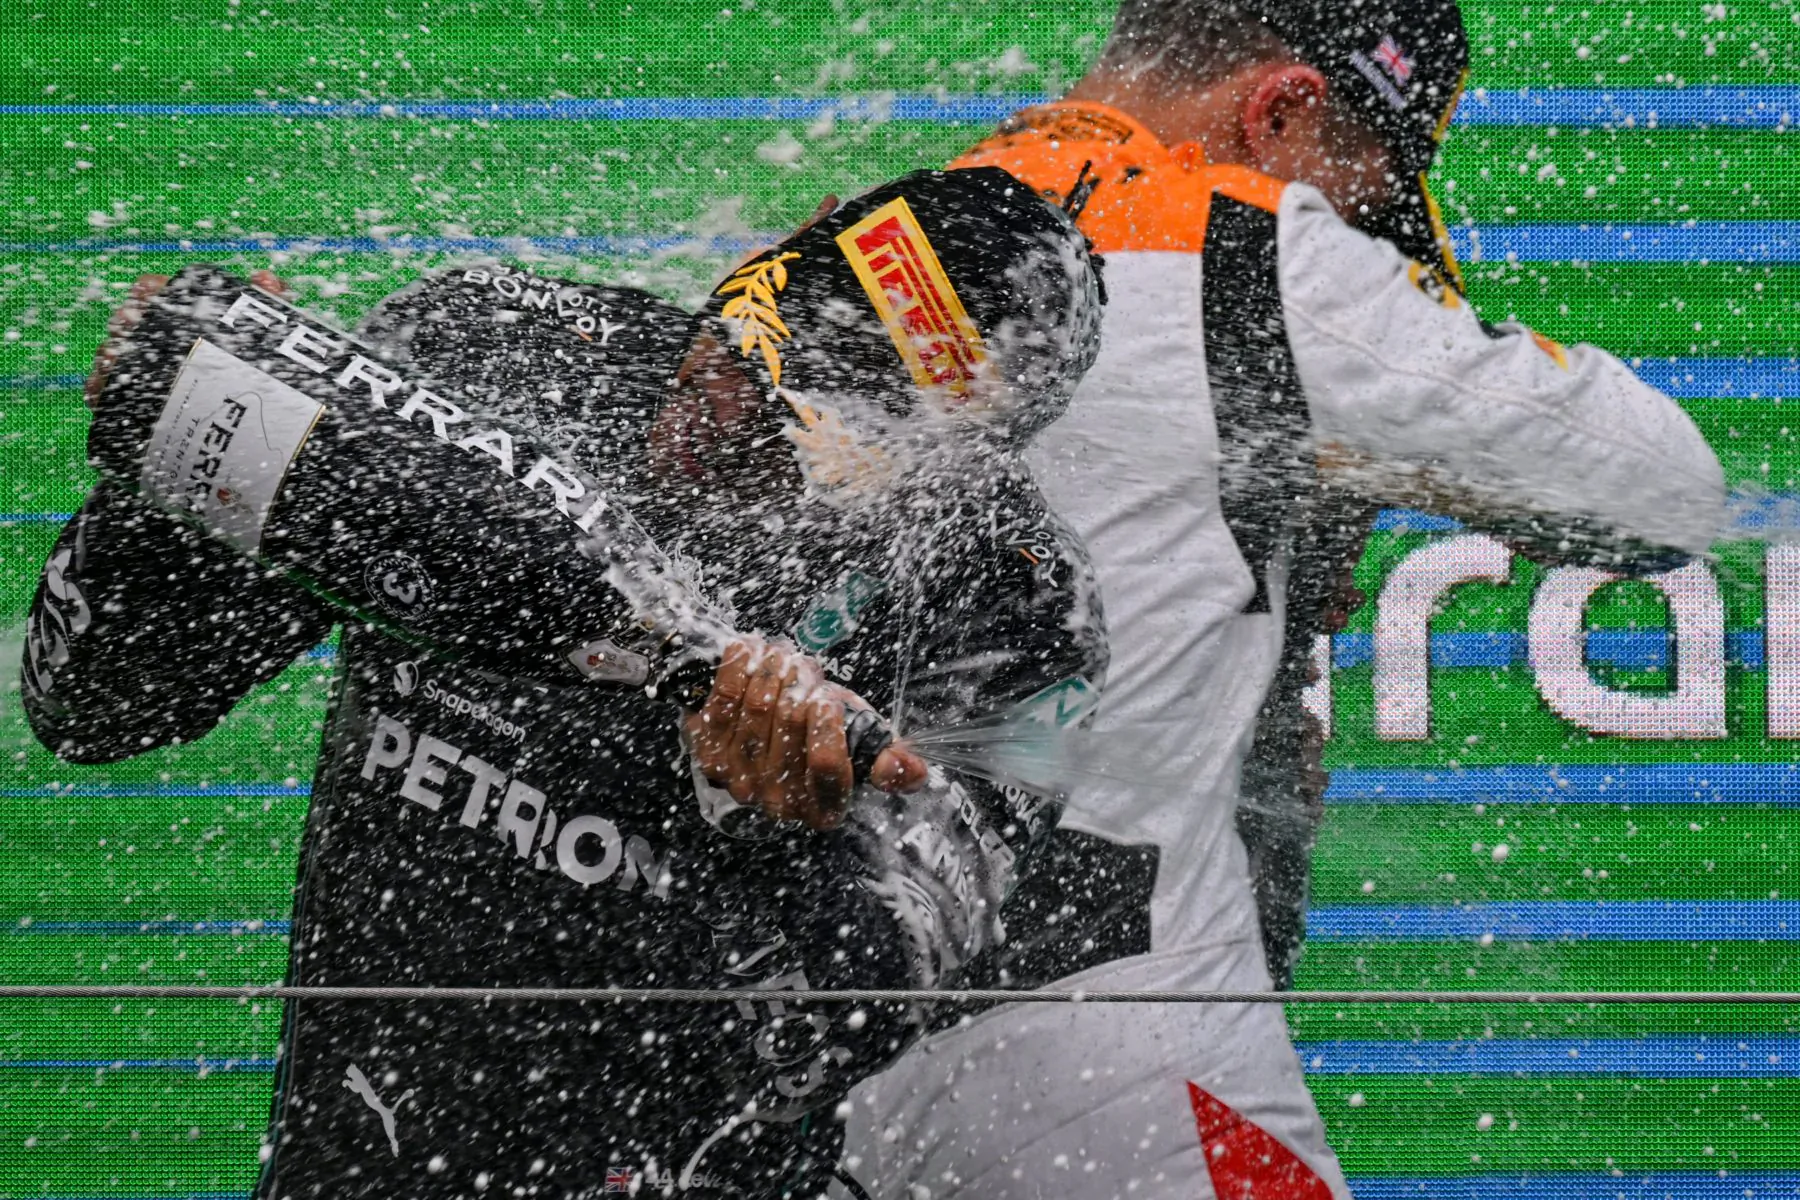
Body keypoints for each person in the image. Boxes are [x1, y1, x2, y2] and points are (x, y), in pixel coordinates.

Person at [22, 168, 1109, 1199]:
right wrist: (183, 475)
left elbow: (838, 1031)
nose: (730, 424)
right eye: (744, 353)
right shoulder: (492, 343)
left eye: (805, 442)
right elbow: (96, 704)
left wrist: (765, 816)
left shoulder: (1011, 605)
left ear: (943, 479)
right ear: (795, 231)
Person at [823, 2, 1728, 1197]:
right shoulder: (1248, 250)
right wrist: (1394, 379)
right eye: (1366, 197)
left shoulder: (865, 239)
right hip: (1101, 1019)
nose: (1359, 230)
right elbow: (1664, 490)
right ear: (1282, 111)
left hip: (830, 1034)